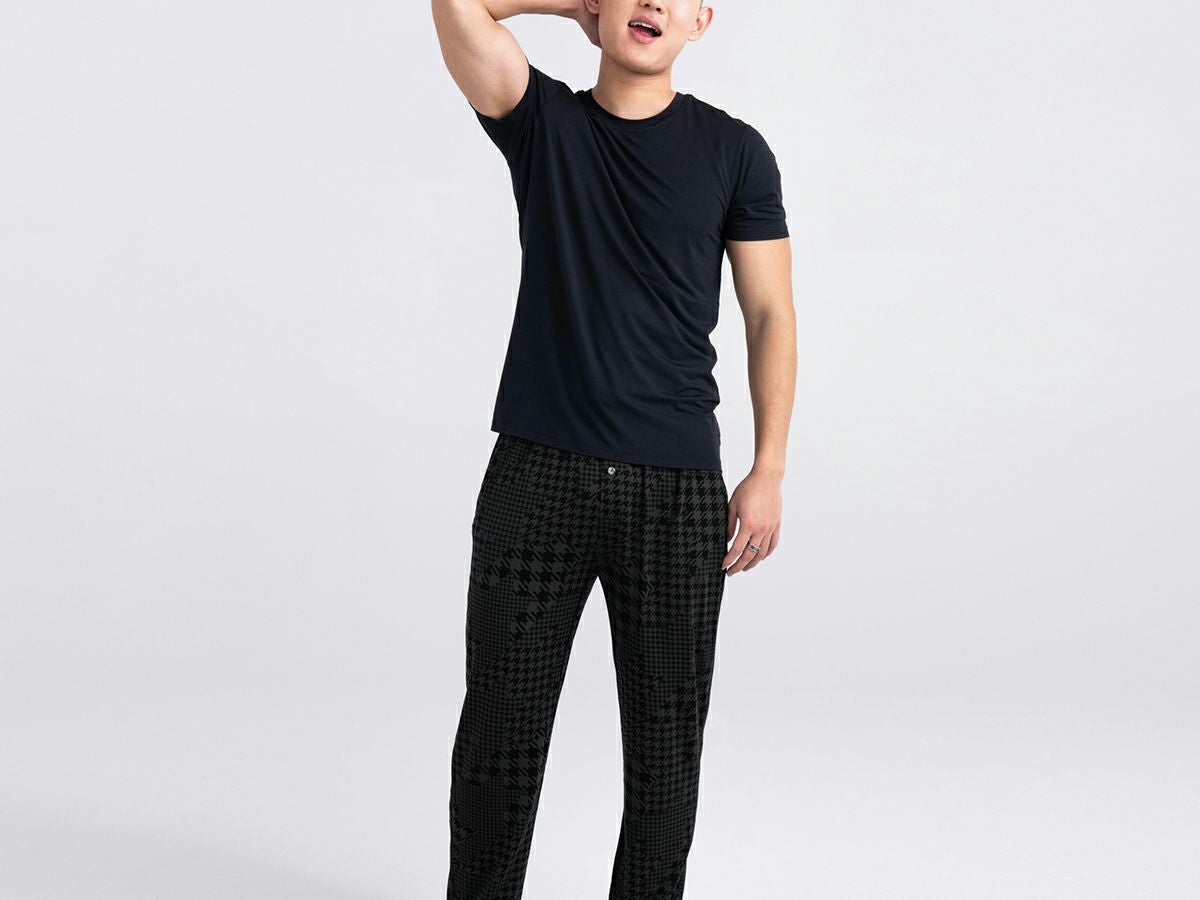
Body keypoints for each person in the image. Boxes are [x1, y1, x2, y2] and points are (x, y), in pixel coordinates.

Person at [432, 0, 796, 896]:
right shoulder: (543, 123)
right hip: (537, 476)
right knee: (498, 745)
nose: (653, 3)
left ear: (701, 21)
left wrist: (768, 467)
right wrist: (576, 5)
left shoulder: (736, 152)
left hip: (677, 489)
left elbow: (769, 314)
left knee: (666, 760)